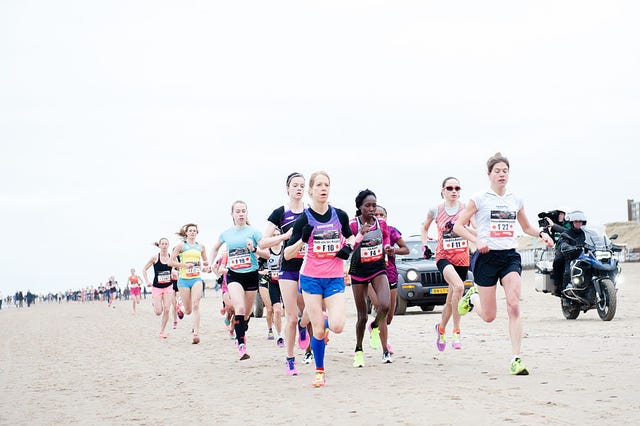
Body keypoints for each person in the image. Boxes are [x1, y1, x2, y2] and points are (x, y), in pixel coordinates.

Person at [454, 152, 554, 375]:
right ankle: (473, 298)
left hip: (509, 256)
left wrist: (542, 235)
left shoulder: (515, 199)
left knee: (514, 304)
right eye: (497, 171)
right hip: (486, 257)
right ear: (489, 174)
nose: (502, 174)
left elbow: (526, 227)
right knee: (489, 316)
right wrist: (477, 240)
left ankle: (516, 358)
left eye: (505, 171)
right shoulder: (479, 199)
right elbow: (458, 226)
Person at [284, 171, 355, 387]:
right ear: (311, 190)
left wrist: (348, 248)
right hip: (311, 278)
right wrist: (303, 240)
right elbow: (287, 254)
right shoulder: (304, 219)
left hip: (334, 278)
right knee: (318, 331)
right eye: (319, 185)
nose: (323, 189)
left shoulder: (339, 215)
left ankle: (322, 321)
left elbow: (351, 236)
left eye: (326, 185)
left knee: (338, 325)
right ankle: (319, 371)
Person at [258, 172, 312, 376]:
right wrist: (285, 236)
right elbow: (262, 242)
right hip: (287, 268)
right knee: (290, 318)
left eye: (302, 185)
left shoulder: (311, 212)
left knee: (308, 311)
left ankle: (304, 326)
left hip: (309, 267)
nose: (298, 188)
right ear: (287, 189)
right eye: (295, 185)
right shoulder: (280, 213)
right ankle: (290, 359)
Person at [421, 177, 474, 352]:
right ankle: (457, 331)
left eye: (457, 188)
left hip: (462, 258)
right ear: (443, 191)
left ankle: (441, 327)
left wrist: (460, 226)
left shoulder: (467, 209)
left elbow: (475, 229)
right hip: (444, 256)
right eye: (450, 188)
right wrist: (424, 245)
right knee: (459, 287)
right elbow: (424, 227)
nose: (454, 191)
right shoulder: (435, 210)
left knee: (451, 301)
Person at [209, 201, 265, 360]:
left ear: (247, 213)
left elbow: (265, 253)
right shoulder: (226, 234)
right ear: (232, 214)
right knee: (239, 308)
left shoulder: (254, 232)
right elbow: (214, 248)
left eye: (243, 211)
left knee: (246, 315)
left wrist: (254, 249)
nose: (241, 214)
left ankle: (241, 330)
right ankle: (241, 345)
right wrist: (211, 263)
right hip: (234, 275)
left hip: (251, 275)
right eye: (238, 211)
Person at [348, 189, 394, 367]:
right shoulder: (353, 225)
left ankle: (375, 327)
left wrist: (388, 247)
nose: (372, 209)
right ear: (359, 207)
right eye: (368, 206)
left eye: (374, 205)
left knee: (385, 305)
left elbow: (386, 238)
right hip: (358, 270)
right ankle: (358, 350)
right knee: (362, 316)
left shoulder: (381, 223)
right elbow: (348, 247)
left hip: (377, 267)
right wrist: (361, 234)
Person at [368, 205, 409, 355]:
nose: (379, 217)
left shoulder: (391, 231)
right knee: (381, 307)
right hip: (371, 276)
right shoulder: (366, 231)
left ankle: (375, 325)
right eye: (376, 214)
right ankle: (385, 348)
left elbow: (406, 249)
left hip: (390, 275)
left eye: (382, 215)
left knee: (389, 316)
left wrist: (393, 250)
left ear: (386, 217)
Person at [169, 223, 210, 344]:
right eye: (190, 230)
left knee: (196, 305)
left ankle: (196, 333)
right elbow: (170, 262)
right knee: (188, 311)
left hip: (196, 278)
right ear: (186, 233)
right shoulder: (181, 246)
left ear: (197, 233)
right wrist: (184, 265)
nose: (192, 232)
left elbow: (204, 262)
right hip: (184, 280)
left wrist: (206, 268)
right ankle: (180, 305)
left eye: (194, 231)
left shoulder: (201, 246)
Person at [142, 238, 175, 339]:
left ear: (168, 245)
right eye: (163, 244)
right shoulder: (155, 258)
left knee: (167, 309)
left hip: (168, 286)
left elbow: (176, 267)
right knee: (158, 312)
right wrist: (147, 281)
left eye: (166, 244)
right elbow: (144, 269)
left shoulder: (172, 257)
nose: (164, 246)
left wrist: (174, 271)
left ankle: (162, 331)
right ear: (159, 245)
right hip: (157, 287)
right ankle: (155, 303)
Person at [258, 229, 285, 347]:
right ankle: (275, 333)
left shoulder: (286, 250)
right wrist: (263, 271)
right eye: (273, 235)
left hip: (284, 282)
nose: (276, 237)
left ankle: (288, 332)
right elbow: (257, 267)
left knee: (286, 311)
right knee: (271, 309)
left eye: (278, 235)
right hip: (268, 281)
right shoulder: (266, 251)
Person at [557, 211, 588, 295]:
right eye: (576, 222)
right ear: (572, 222)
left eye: (580, 221)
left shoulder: (586, 233)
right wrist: (569, 247)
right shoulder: (567, 233)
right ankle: (565, 296)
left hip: (586, 257)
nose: (578, 223)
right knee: (568, 272)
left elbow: (595, 240)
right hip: (572, 257)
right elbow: (563, 243)